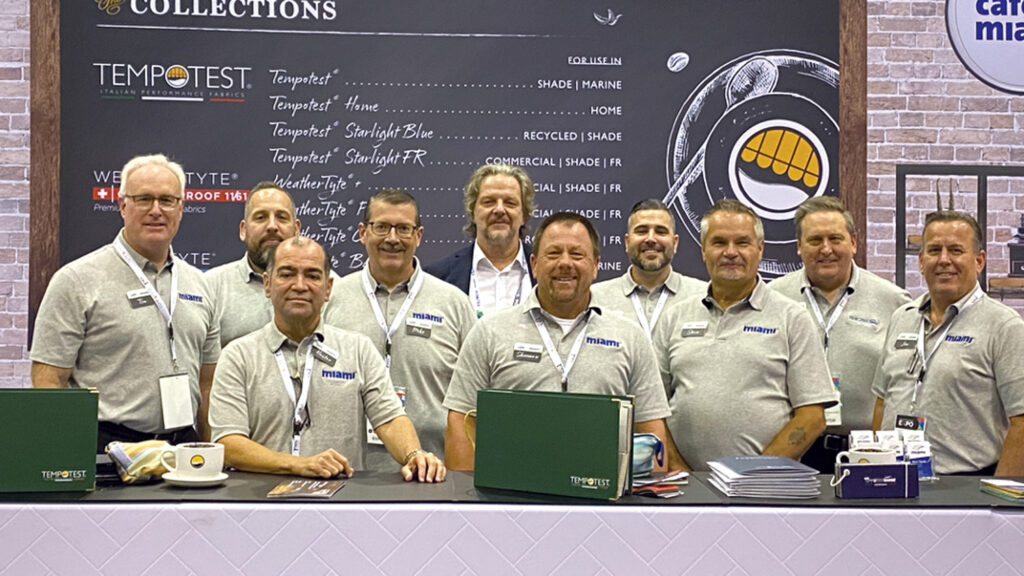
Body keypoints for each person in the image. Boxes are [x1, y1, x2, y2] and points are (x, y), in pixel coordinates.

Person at [443, 212, 685, 471]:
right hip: (510, 500)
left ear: (596, 265)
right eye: (554, 253)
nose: (565, 263)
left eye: (577, 255)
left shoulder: (630, 337)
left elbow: (651, 439)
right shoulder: (489, 332)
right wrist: (469, 501)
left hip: (603, 504)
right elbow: (461, 421)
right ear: (534, 264)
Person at [208, 236, 445, 482]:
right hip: (259, 504)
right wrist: (299, 465)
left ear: (328, 288)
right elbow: (229, 443)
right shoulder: (237, 356)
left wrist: (413, 455)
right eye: (287, 274)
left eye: (312, 275)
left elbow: (389, 418)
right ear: (267, 284)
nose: (299, 285)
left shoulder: (358, 349)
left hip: (341, 502)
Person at [31, 154, 220, 451]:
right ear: (122, 206)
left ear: (181, 208)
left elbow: (207, 384)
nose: (156, 210)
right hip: (105, 447)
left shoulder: (200, 284)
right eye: (143, 199)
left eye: (167, 200)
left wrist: (211, 453)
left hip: (183, 448)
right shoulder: (75, 280)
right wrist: (64, 457)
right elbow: (48, 381)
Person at [652, 199, 836, 470]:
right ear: (703, 250)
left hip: (764, 488)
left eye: (742, 242)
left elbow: (812, 416)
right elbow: (653, 408)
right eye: (719, 243)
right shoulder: (675, 317)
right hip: (684, 488)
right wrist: (679, 471)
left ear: (760, 249)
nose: (730, 252)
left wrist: (755, 473)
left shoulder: (792, 317)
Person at [325, 189, 475, 469]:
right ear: (362, 232)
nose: (392, 238)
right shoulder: (330, 299)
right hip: (345, 472)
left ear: (418, 236)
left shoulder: (454, 303)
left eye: (403, 229)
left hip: (433, 471)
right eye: (381, 227)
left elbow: (472, 400)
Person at [871, 211, 1024, 476]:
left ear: (979, 260)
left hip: (966, 485)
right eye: (934, 250)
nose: (944, 260)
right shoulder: (902, 318)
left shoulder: (1004, 326)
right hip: (892, 479)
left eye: (956, 250)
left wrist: (997, 494)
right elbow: (883, 401)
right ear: (921, 261)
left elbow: (1021, 422)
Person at [768, 197, 909, 472]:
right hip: (793, 448)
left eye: (835, 238)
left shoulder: (894, 302)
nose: (826, 249)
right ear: (799, 246)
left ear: (853, 242)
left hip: (866, 451)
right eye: (814, 240)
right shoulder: (772, 298)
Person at [205, 181, 340, 346]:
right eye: (260, 217)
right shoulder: (211, 287)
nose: (272, 226)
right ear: (243, 230)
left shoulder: (329, 286)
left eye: (282, 218)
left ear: (297, 230)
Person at [425, 164, 536, 317]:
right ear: (472, 211)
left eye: (510, 203)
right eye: (488, 202)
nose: (499, 210)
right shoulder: (437, 278)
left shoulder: (548, 271)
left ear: (524, 214)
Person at [591, 199, 705, 338]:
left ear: (675, 243)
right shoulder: (595, 299)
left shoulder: (702, 297)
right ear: (627, 242)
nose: (651, 239)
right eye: (641, 231)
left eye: (661, 231)